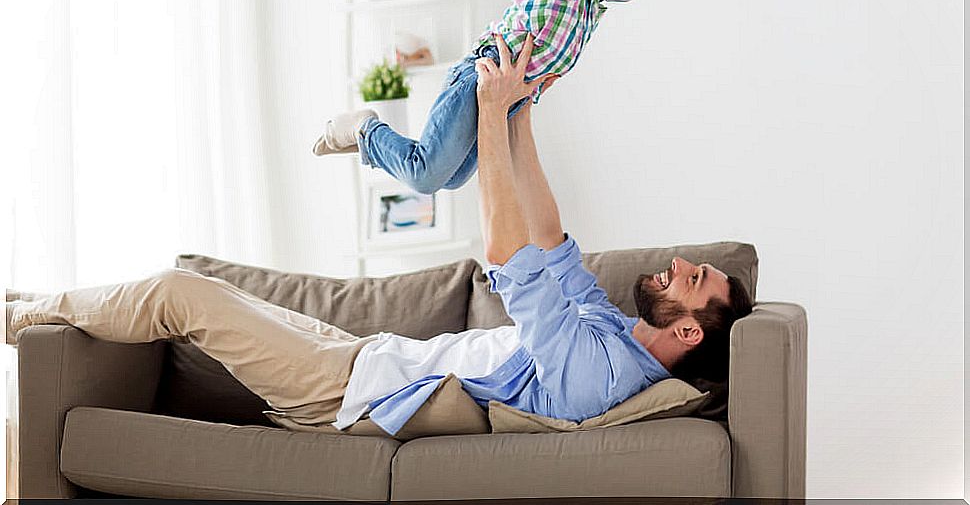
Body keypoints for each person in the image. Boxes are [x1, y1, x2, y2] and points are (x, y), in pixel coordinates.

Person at [6, 33, 752, 437]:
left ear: (688, 333)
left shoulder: (602, 375)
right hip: (365, 357)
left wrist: (490, 119)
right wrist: (520, 112)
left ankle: (18, 314)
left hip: (348, 393)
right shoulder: (616, 334)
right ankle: (33, 300)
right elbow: (550, 240)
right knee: (213, 293)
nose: (680, 264)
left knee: (182, 293)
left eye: (692, 281)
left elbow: (510, 257)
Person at [312, 0, 740, 195]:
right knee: (427, 176)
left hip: (510, 96)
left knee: (453, 179)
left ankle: (367, 142)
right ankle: (366, 128)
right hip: (482, 81)